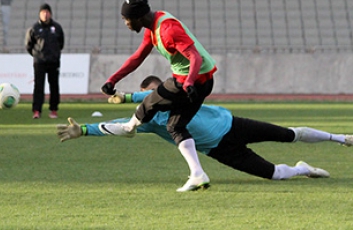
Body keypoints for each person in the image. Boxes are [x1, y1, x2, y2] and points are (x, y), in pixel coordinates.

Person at [59, 75, 353, 191]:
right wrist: (82, 130)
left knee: (289, 134)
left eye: (155, 92)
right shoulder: (146, 118)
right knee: (275, 174)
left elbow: (138, 99)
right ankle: (302, 169)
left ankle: (341, 138)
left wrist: (126, 95)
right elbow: (116, 126)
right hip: (219, 150)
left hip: (233, 125)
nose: (154, 98)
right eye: (149, 95)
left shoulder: (181, 95)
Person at [100, 0, 217, 190]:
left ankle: (129, 128)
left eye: (126, 19)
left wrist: (188, 82)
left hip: (191, 81)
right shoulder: (153, 26)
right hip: (199, 81)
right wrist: (113, 79)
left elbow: (195, 57)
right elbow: (137, 58)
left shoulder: (168, 30)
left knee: (151, 101)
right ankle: (198, 174)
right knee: (175, 126)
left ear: (138, 18)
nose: (126, 24)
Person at [25, 3, 64, 119]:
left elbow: (61, 43)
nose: (45, 15)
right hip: (40, 62)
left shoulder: (57, 27)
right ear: (40, 14)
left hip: (53, 61)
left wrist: (55, 54)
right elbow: (29, 45)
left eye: (47, 12)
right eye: (43, 12)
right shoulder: (35, 28)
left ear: (50, 14)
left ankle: (53, 110)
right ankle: (37, 110)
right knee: (38, 86)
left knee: (54, 86)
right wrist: (37, 56)